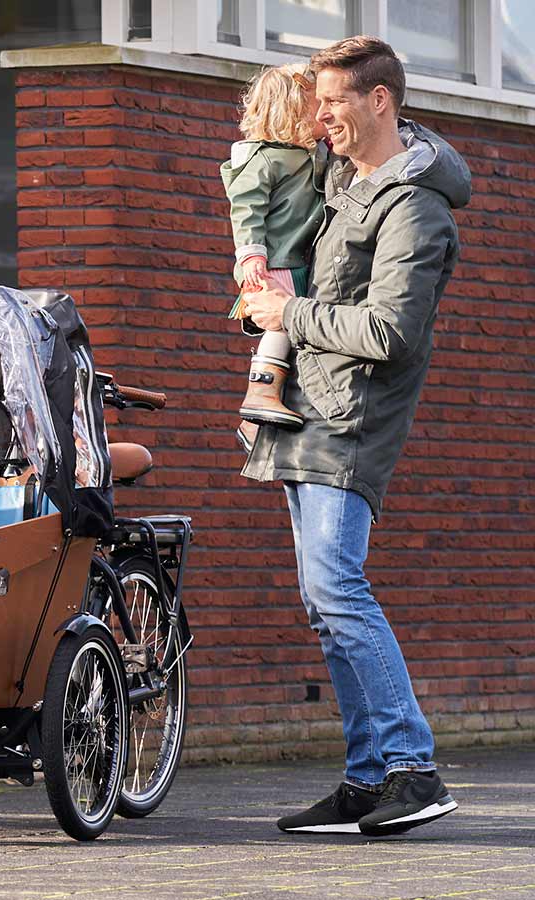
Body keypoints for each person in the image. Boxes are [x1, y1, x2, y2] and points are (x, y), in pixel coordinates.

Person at [240, 35, 468, 837]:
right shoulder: (341, 181)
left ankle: (413, 768)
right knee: (322, 601)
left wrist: (287, 314)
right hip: (310, 409)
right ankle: (368, 780)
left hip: (353, 419)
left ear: (380, 100)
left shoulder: (414, 206)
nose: (319, 114)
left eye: (333, 99)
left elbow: (392, 331)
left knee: (338, 587)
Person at [221, 62, 327, 451]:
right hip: (275, 261)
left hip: (296, 257)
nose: (325, 112)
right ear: (293, 111)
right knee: (281, 323)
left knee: (292, 331)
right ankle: (259, 394)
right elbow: (246, 207)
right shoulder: (262, 158)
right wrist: (251, 256)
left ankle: (255, 426)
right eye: (318, 105)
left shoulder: (310, 153)